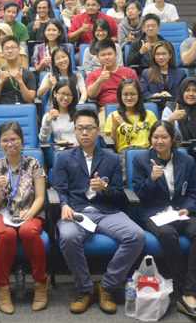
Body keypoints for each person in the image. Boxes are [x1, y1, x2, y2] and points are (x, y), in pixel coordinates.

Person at [54, 107, 145, 315]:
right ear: (74, 131)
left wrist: (104, 189)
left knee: (137, 235)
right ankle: (85, 289)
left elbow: (118, 193)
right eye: (80, 128)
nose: (84, 132)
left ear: (98, 130)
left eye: (89, 128)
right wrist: (64, 205)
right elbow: (60, 188)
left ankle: (107, 285)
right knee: (68, 236)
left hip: (106, 211)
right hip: (76, 211)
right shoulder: (64, 158)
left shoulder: (111, 158)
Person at [131, 120, 196, 321]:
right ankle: (184, 288)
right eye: (155, 137)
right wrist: (152, 180)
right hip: (153, 213)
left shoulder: (187, 160)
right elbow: (140, 196)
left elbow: (193, 191)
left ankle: (189, 292)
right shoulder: (141, 160)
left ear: (173, 139)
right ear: (150, 139)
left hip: (181, 211)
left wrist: (189, 209)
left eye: (164, 137)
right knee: (168, 234)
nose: (160, 141)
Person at [0, 121, 48, 313]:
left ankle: (40, 284)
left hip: (29, 210)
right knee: (7, 234)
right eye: (5, 140)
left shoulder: (34, 164)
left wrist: (31, 212)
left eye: (14, 139)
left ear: (21, 141)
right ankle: (3, 289)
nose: (9, 143)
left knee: (29, 232)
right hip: (0, 213)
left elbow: (40, 197)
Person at [85, 39, 139, 126]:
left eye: (110, 54)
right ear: (98, 58)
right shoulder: (93, 75)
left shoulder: (129, 73)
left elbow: (138, 94)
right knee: (102, 128)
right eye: (103, 55)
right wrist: (100, 80)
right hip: (105, 110)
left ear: (116, 55)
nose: (106, 57)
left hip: (129, 108)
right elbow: (91, 94)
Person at [105, 79, 157, 156]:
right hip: (123, 156)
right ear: (120, 96)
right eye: (125, 94)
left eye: (133, 94)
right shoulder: (113, 116)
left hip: (146, 154)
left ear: (138, 95)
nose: (129, 98)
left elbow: (156, 138)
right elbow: (113, 148)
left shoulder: (150, 115)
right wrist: (114, 128)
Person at [162, 78, 196, 145]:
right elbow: (166, 140)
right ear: (182, 91)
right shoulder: (170, 110)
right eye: (187, 90)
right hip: (179, 151)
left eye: (195, 91)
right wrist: (171, 120)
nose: (191, 94)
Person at [0, 36, 37, 105]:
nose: (10, 51)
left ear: (19, 49)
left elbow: (29, 100)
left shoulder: (28, 74)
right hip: (2, 109)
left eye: (13, 47)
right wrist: (0, 82)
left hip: (23, 109)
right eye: (7, 48)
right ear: (2, 52)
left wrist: (20, 81)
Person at [39, 79, 79, 145]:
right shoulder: (48, 116)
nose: (66, 98)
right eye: (63, 93)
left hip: (76, 148)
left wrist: (70, 143)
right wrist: (48, 120)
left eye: (69, 95)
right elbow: (43, 139)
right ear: (55, 94)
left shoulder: (78, 115)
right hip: (59, 151)